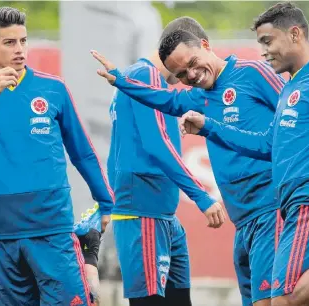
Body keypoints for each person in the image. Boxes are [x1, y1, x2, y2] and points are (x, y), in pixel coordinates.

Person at [91, 18, 309, 306]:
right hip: (242, 221)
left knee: (282, 301)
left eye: (193, 63)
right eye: (182, 74)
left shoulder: (254, 74)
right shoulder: (198, 97)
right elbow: (164, 100)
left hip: (271, 211)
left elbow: (307, 128)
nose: (192, 75)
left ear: (206, 46)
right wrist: (121, 81)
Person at [177, 2, 309, 305]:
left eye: (268, 41)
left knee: (282, 299)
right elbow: (266, 145)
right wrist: (209, 128)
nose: (264, 51)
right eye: (260, 44)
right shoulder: (289, 90)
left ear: (295, 34)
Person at [0, 7, 114, 306]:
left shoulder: (52, 88)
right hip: (0, 238)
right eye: (10, 43)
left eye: (23, 41)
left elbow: (83, 152)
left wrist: (106, 202)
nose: (20, 50)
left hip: (53, 232)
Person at [102, 17, 226, 306]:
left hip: (160, 212)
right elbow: (157, 146)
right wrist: (202, 197)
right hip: (144, 211)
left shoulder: (145, 81)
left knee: (179, 299)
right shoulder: (144, 76)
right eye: (184, 67)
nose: (188, 75)